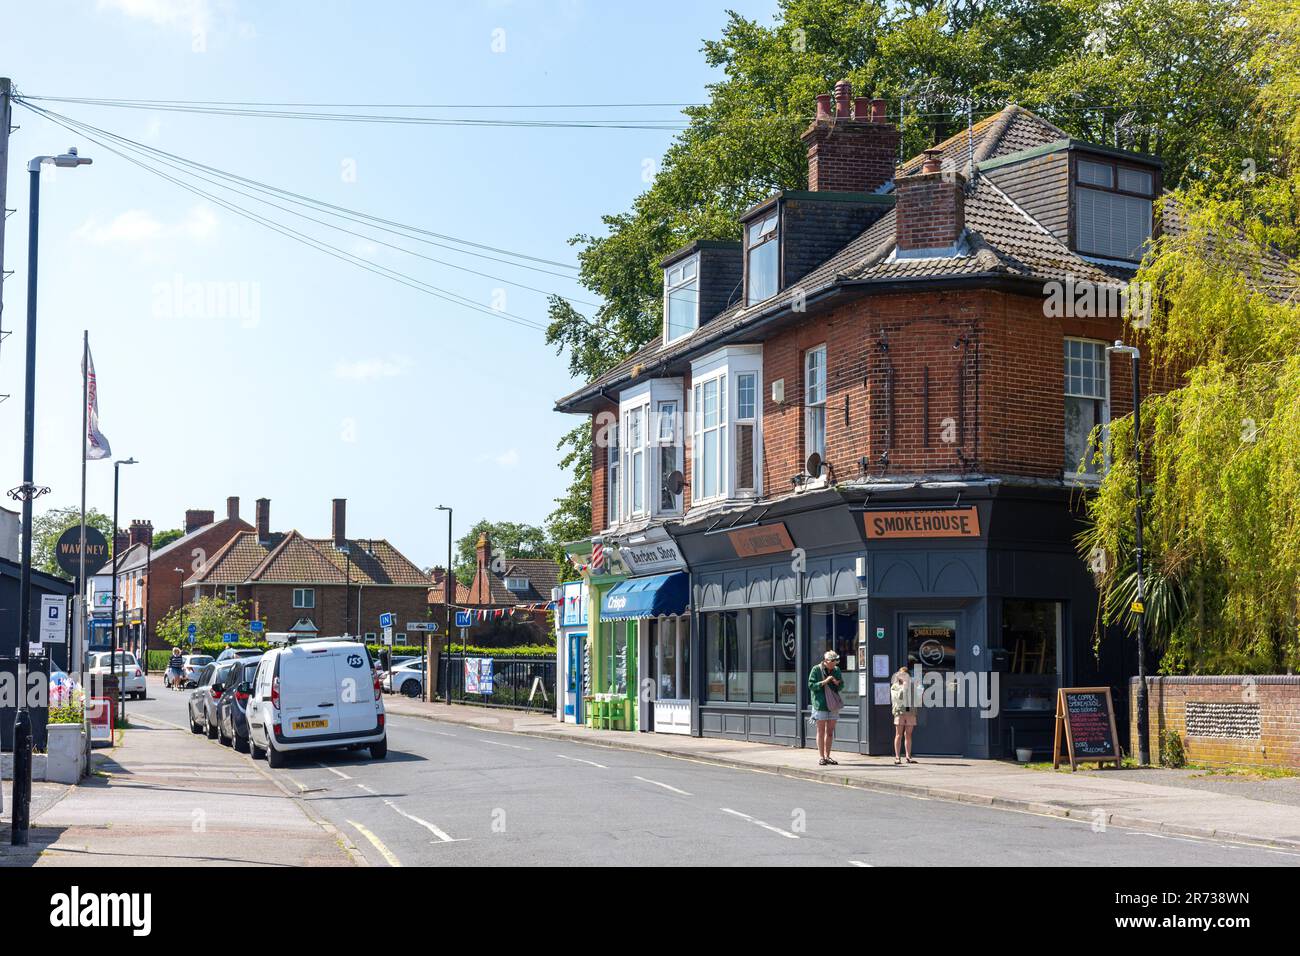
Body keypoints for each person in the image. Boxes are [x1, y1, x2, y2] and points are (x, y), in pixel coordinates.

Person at [808, 650, 844, 766]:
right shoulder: (816, 669)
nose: (835, 663)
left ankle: (828, 756)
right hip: (820, 704)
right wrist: (824, 681)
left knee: (829, 732)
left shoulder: (836, 670)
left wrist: (837, 683)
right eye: (833, 661)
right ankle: (821, 757)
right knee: (821, 731)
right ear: (827, 661)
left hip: (832, 705)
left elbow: (841, 685)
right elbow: (811, 685)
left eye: (836, 661)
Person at [891, 666, 918, 764]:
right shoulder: (895, 686)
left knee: (909, 734)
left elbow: (917, 699)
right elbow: (897, 698)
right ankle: (897, 757)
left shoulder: (912, 685)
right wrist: (904, 687)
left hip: (910, 711)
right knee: (898, 734)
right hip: (899, 711)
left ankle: (908, 756)